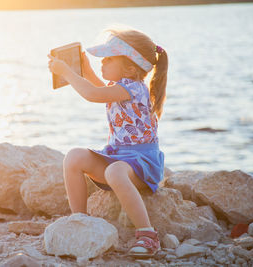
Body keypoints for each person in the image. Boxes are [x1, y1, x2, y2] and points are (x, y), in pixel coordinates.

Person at [47, 26, 168, 258]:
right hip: (117, 157)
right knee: (74, 157)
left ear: (131, 68)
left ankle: (148, 235)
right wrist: (84, 68)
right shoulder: (118, 87)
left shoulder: (134, 89)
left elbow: (93, 94)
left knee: (114, 172)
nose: (103, 62)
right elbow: (99, 88)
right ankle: (80, 221)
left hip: (141, 164)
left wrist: (67, 72)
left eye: (108, 59)